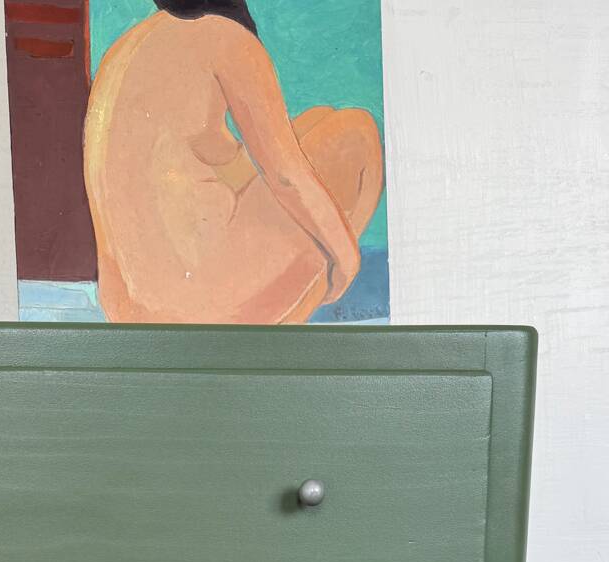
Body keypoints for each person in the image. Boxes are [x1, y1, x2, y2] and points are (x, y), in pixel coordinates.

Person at [83, 0, 384, 323]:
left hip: (127, 308)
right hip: (197, 303)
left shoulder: (125, 47)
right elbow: (286, 177)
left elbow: (214, 160)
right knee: (357, 133)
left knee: (317, 121)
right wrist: (346, 257)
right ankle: (294, 310)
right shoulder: (226, 38)